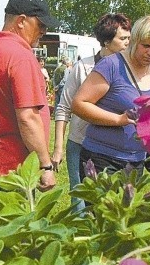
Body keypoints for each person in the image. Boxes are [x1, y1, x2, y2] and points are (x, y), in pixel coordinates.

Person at [0, 0, 59, 219]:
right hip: (12, 169)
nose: (43, 32)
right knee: (10, 244)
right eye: (40, 25)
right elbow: (27, 117)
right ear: (21, 21)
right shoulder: (20, 56)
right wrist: (45, 166)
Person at [73, 15, 150, 178]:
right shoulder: (111, 65)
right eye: (146, 45)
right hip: (102, 159)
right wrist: (118, 120)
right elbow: (79, 104)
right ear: (134, 40)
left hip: (136, 160)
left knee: (128, 204)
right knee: (104, 205)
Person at [52, 13, 131, 211]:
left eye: (129, 38)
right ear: (106, 41)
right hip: (80, 144)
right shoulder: (82, 68)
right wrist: (58, 149)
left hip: (113, 148)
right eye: (123, 38)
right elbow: (63, 108)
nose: (128, 43)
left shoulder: (129, 71)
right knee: (80, 200)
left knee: (112, 202)